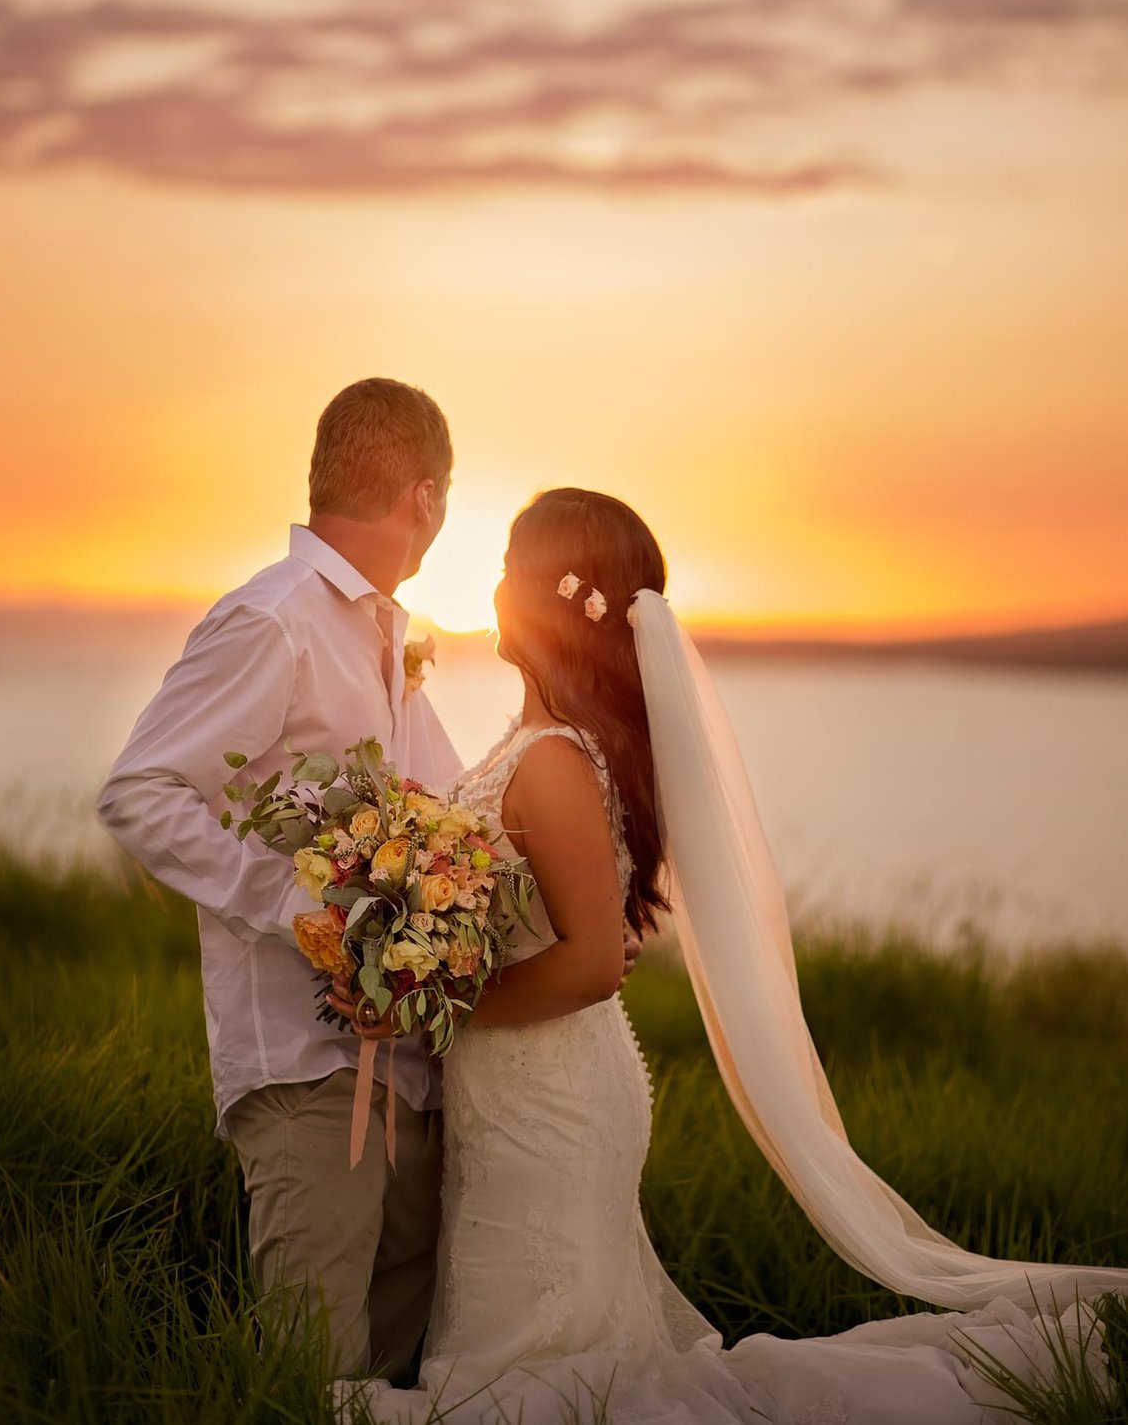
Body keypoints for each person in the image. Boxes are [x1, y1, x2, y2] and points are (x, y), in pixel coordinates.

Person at [330, 486, 1128, 1425]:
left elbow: (593, 965)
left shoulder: (553, 759)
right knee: (563, 1356)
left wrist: (434, 1006)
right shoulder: (538, 740)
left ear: (549, 595)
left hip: (548, 1098)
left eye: (510, 564)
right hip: (522, 1088)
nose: (494, 581)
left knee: (554, 1375)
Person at [98, 380, 464, 1381]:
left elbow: (448, 816)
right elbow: (142, 792)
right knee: (311, 1381)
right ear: (423, 498)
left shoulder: (386, 635)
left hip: (411, 1074)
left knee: (392, 1381)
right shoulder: (274, 621)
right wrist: (304, 910)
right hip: (307, 1075)